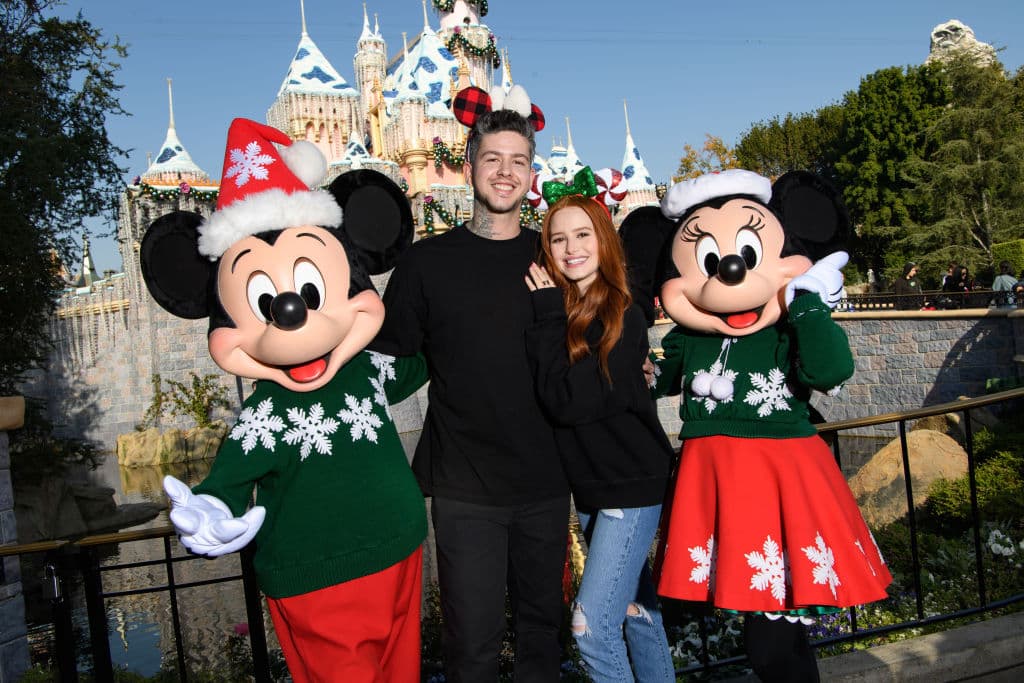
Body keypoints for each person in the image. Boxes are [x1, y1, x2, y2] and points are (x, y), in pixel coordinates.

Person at [626, 170, 891, 682]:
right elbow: (656, 381)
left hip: (783, 489)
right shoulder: (690, 339)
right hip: (722, 493)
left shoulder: (789, 328)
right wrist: (637, 371)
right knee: (766, 635)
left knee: (775, 638)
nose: (728, 271)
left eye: (746, 253)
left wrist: (808, 304)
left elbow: (831, 369)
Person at [372, 85, 571, 682]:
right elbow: (388, 359)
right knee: (471, 646)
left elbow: (597, 347)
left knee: (542, 639)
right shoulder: (427, 264)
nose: (505, 173)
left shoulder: (556, 258)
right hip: (465, 490)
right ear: (469, 165)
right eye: (493, 159)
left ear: (531, 172)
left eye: (518, 161)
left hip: (545, 481)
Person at [523, 184, 676, 682]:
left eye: (583, 234)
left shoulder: (621, 312)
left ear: (604, 239)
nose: (572, 249)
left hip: (627, 485)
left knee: (590, 626)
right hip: (594, 485)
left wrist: (546, 314)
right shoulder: (570, 311)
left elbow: (569, 401)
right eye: (559, 239)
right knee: (637, 613)